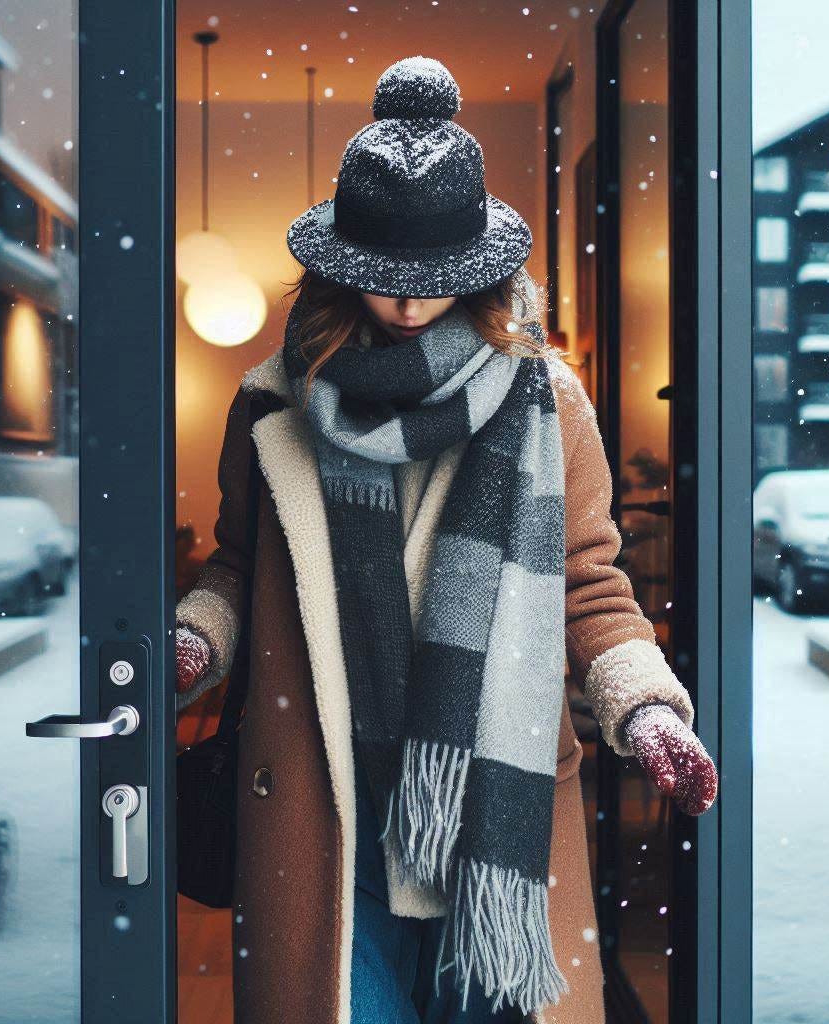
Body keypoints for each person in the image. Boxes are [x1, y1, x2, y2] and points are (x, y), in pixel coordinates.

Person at [175, 55, 718, 1024]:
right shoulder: (271, 402)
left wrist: (645, 711)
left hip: (486, 810)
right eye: (388, 282)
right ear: (341, 269)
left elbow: (590, 588)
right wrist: (197, 637)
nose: (411, 305)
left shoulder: (546, 402)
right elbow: (240, 564)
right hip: (326, 798)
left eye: (436, 281)